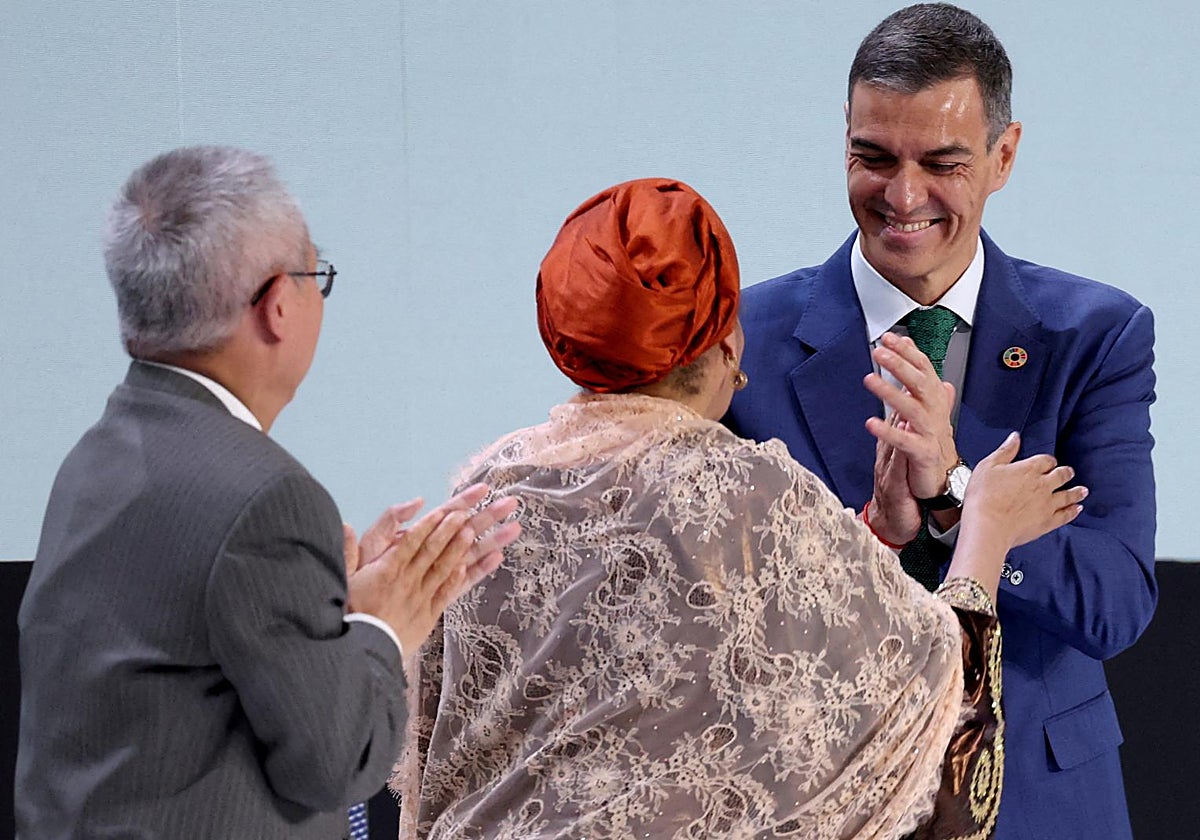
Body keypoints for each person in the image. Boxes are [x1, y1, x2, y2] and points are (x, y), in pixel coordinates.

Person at [392, 178, 1087, 839]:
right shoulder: (749, 491)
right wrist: (984, 529)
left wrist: (876, 531)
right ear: (727, 339)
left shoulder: (488, 487)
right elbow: (936, 732)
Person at [725, 5, 1157, 839]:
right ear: (843, 142)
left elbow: (1115, 603)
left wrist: (957, 492)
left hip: (1042, 802)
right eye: (873, 158)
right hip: (826, 801)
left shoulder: (1095, 337)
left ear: (1004, 155)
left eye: (943, 163)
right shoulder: (746, 339)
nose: (903, 196)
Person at [15, 145, 520, 839]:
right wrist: (384, 626)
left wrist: (325, 608)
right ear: (279, 304)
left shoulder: (97, 454)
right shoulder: (267, 497)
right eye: (318, 275)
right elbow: (342, 763)